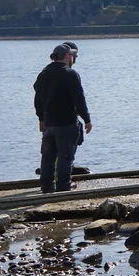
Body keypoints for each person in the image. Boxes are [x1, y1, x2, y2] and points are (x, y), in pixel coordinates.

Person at [34, 42, 91, 193]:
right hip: (66, 122)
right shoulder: (70, 74)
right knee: (66, 155)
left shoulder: (43, 74)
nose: (74, 58)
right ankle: (64, 185)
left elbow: (37, 99)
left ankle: (46, 185)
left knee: (48, 156)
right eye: (72, 55)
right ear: (67, 56)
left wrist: (41, 118)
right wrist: (87, 119)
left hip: (49, 123)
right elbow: (79, 99)